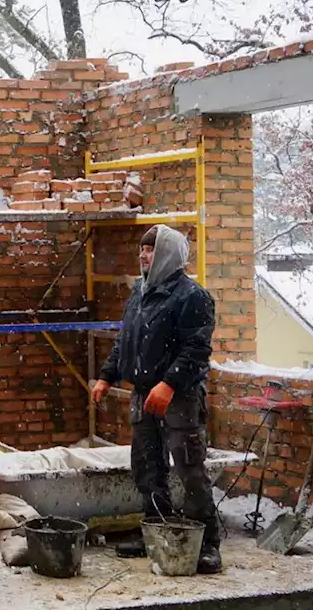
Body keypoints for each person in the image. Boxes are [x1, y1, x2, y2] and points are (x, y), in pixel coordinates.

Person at [92, 225, 222, 574]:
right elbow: (126, 341)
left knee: (190, 469)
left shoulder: (192, 296)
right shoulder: (141, 292)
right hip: (142, 394)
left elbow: (197, 349)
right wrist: (107, 375)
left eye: (150, 249)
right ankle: (157, 531)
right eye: (141, 249)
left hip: (179, 397)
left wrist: (168, 384)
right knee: (148, 467)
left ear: (168, 254)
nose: (143, 255)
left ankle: (207, 544)